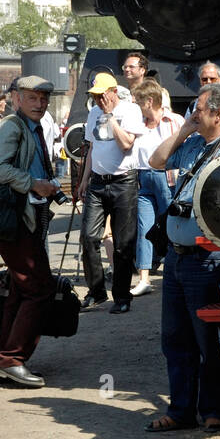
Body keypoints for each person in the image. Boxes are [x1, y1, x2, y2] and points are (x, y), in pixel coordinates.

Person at [147, 83, 220, 432]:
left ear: (219, 113)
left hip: (209, 258)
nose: (193, 113)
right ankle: (181, 411)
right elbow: (155, 160)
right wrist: (185, 130)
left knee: (209, 339)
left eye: (199, 109)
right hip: (177, 258)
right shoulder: (190, 144)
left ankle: (213, 410)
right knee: (175, 339)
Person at [0, 75, 60, 387]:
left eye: (43, 99)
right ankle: (11, 359)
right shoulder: (12, 126)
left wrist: (50, 186)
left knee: (21, 289)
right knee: (38, 287)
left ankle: (6, 359)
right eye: (32, 98)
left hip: (23, 217)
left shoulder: (32, 126)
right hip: (12, 220)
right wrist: (34, 184)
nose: (39, 104)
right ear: (15, 98)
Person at [78, 74, 145, 313]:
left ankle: (122, 296)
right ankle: (96, 292)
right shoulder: (93, 113)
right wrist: (84, 179)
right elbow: (92, 147)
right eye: (95, 95)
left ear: (114, 91)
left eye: (102, 94)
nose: (98, 100)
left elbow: (126, 144)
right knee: (88, 236)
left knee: (122, 244)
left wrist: (109, 117)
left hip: (123, 182)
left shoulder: (130, 111)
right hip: (97, 182)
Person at [130, 78, 183, 296]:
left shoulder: (174, 121)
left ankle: (176, 272)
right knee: (145, 228)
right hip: (144, 178)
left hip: (165, 177)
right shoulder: (138, 124)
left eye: (139, 102)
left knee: (171, 226)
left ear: (149, 101)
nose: (137, 106)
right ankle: (144, 278)